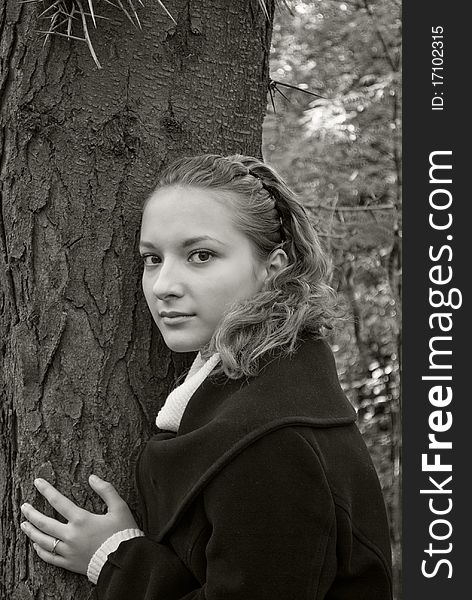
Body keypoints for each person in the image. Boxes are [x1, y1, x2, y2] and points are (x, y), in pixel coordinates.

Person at [20, 154, 393, 599]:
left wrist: (117, 559)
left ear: (272, 269)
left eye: (201, 255)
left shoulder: (274, 438)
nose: (163, 286)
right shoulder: (266, 386)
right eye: (152, 259)